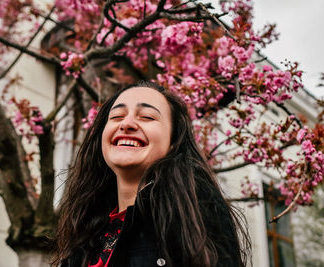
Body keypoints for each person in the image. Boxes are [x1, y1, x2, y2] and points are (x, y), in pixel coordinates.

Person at [53, 81, 250, 267]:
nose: (126, 124)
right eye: (116, 117)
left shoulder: (193, 211)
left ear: (174, 141)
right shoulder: (87, 234)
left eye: (147, 117)